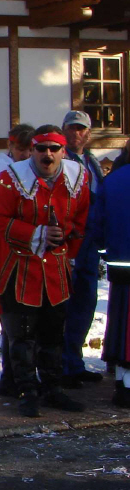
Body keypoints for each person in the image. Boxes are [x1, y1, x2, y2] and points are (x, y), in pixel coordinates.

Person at [0, 125, 90, 417]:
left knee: (54, 334)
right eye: (41, 148)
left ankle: (53, 389)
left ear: (63, 151)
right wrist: (35, 233)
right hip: (19, 268)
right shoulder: (11, 178)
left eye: (54, 149)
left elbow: (81, 219)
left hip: (55, 269)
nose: (48, 154)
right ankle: (27, 391)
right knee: (22, 336)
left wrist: (67, 241)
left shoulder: (77, 178)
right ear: (32, 150)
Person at [0, 123, 35, 400]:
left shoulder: (28, 170)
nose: (26, 154)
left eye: (29, 149)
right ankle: (11, 376)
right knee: (11, 316)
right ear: (11, 147)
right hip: (8, 250)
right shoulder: (2, 172)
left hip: (28, 250)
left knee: (26, 318)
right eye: (21, 149)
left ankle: (19, 374)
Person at [60, 110, 105, 387]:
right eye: (72, 128)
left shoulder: (92, 162)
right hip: (69, 240)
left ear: (88, 133)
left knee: (86, 303)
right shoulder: (60, 160)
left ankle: (75, 362)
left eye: (81, 129)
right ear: (64, 130)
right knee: (66, 304)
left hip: (90, 242)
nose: (76, 133)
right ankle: (63, 365)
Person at [87, 160, 130, 408]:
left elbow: (98, 223)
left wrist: (107, 252)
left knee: (122, 326)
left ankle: (123, 383)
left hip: (120, 263)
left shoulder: (113, 180)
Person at [0, 124, 35, 203]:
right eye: (21, 149)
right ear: (10, 145)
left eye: (31, 150)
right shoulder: (0, 168)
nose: (26, 154)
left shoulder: (37, 167)